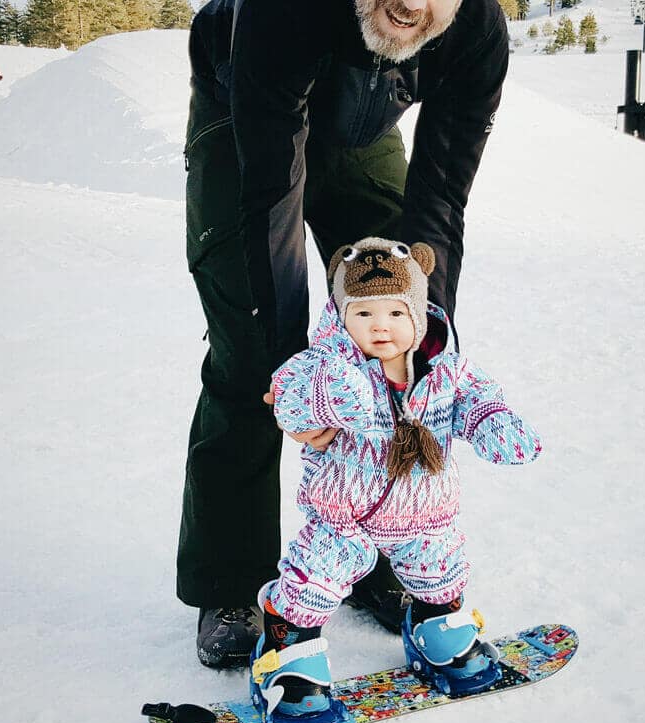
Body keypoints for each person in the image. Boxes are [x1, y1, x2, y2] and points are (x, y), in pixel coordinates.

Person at [180, 0, 511, 667]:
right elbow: (270, 201)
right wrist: (289, 377)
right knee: (251, 353)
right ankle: (233, 581)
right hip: (244, 111)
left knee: (388, 335)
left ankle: (376, 551)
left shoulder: (475, 29)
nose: (413, 4)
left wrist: (425, 342)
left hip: (362, 129)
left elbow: (441, 195)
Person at [249, 237, 541, 723]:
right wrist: (334, 392)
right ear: (342, 318)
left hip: (425, 511)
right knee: (312, 582)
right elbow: (290, 398)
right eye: (363, 314)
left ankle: (435, 626)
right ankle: (286, 648)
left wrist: (493, 422)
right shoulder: (325, 367)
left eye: (395, 313)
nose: (380, 325)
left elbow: (477, 399)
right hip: (344, 515)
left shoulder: (446, 373)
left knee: (439, 572)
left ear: (419, 318)